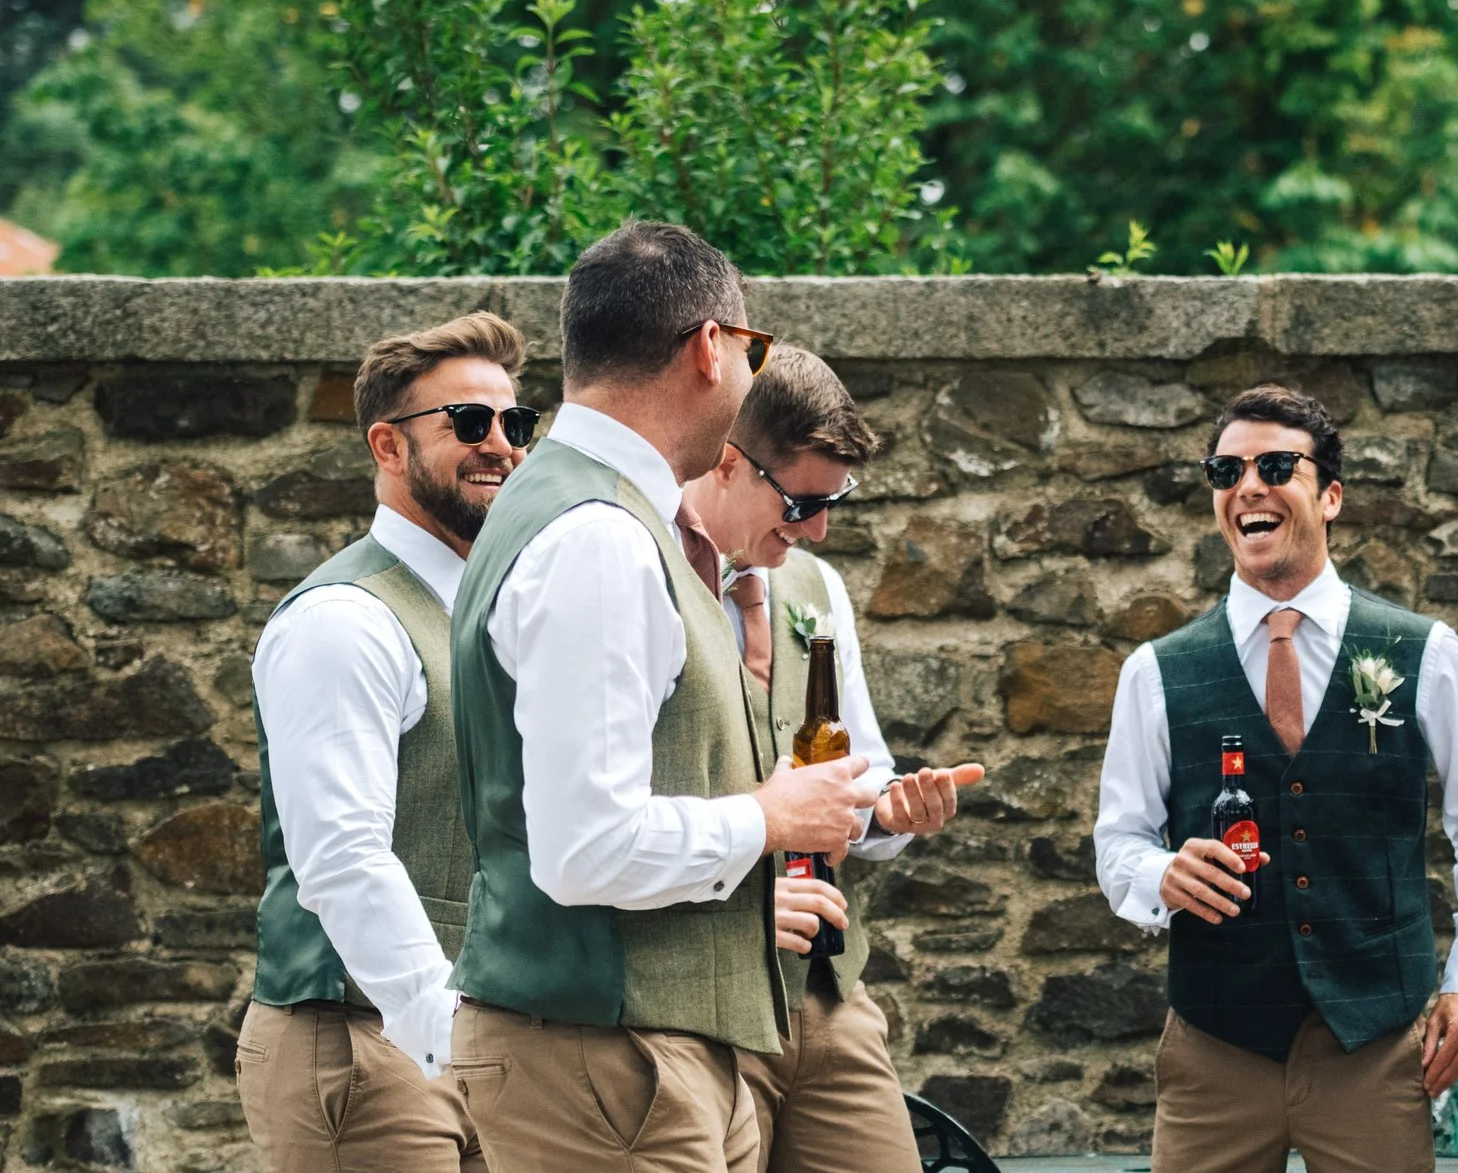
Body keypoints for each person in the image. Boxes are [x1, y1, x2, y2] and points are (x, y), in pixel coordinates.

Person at [446, 222, 877, 1173]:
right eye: (753, 349)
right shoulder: (598, 533)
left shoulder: (581, 506)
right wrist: (769, 816)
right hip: (606, 1060)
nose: (752, 377)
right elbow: (585, 846)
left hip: (630, 1056)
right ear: (709, 347)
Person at [1095, 384, 1458, 1173]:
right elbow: (1118, 840)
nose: (1247, 486)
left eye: (1273, 465)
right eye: (1226, 470)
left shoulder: (1420, 650)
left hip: (1375, 1045)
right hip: (1214, 1049)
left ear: (1329, 494)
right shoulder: (1155, 671)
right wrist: (1164, 872)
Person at [678, 346, 985, 1173]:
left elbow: (855, 767)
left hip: (827, 994)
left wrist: (889, 809)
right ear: (729, 462)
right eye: (803, 501)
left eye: (831, 501)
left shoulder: (814, 587)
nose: (816, 528)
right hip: (696, 998)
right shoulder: (641, 571)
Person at [239, 312, 533, 1173]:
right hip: (365, 1042)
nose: (502, 447)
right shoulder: (346, 619)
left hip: (485, 1042)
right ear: (388, 445)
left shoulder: (490, 610)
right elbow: (341, 857)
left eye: (516, 423)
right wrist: (449, 1034)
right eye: (468, 423)